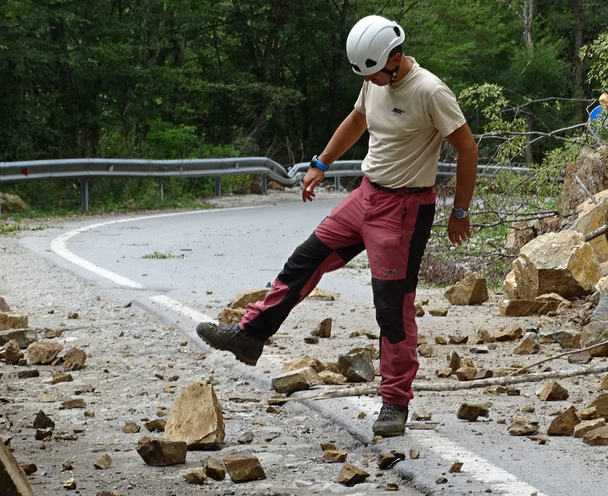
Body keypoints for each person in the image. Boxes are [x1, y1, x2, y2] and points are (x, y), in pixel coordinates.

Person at [197, 14, 478, 438]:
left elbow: (468, 148)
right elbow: (357, 119)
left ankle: (395, 403)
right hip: (365, 195)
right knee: (305, 261)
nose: (372, 81)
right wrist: (320, 163)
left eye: (377, 74)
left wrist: (460, 211)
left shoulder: (430, 91)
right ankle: (249, 336)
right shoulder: (374, 76)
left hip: (404, 208)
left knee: (392, 304)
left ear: (396, 58)